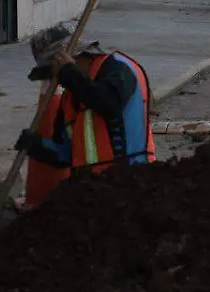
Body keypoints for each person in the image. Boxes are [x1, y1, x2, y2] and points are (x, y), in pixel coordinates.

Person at [16, 26, 154, 206]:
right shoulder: (71, 97)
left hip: (131, 182)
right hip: (92, 192)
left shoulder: (118, 68)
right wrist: (36, 146)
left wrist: (69, 74)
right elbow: (66, 154)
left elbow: (108, 104)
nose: (53, 79)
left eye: (52, 70)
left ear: (64, 59)